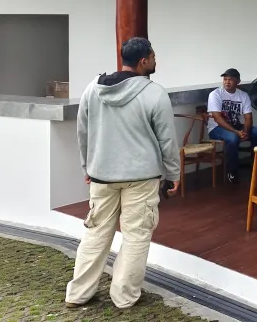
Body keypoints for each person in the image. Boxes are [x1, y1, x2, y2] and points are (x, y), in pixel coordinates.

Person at [65, 37, 180, 310]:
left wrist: (87, 166)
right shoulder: (155, 93)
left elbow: (83, 130)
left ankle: (78, 294)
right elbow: (167, 141)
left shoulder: (93, 88)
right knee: (136, 235)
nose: (155, 61)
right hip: (142, 178)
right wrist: (173, 174)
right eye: (153, 56)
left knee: (95, 233)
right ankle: (124, 296)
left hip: (101, 175)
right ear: (143, 61)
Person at [207, 68, 257, 184]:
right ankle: (232, 171)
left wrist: (245, 131)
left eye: (230, 79)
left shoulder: (243, 95)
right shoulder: (215, 94)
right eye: (225, 79)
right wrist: (237, 132)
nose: (227, 82)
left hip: (237, 126)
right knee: (233, 138)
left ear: (238, 81)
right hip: (216, 128)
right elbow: (218, 119)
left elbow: (248, 117)